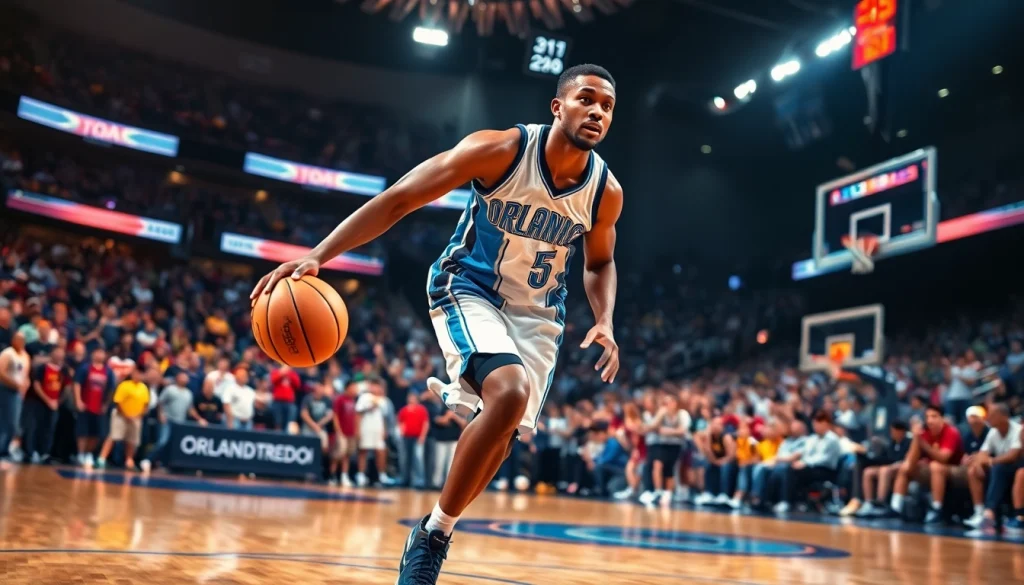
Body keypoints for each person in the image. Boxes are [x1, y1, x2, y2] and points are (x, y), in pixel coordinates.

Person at [250, 64, 622, 584]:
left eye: (606, 106)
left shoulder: (606, 191)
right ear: (558, 107)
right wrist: (319, 255)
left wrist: (603, 319)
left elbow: (600, 262)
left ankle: (433, 529)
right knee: (510, 392)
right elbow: (402, 197)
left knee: (505, 433)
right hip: (469, 287)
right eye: (586, 99)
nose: (598, 112)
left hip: (539, 315)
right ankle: (434, 538)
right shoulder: (500, 151)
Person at [890, 404, 964, 522]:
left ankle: (937, 509)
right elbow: (910, 460)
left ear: (942, 418)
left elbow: (943, 458)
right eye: (927, 417)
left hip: (955, 468)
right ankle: (895, 508)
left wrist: (923, 444)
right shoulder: (925, 432)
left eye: (934, 416)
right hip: (932, 468)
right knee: (905, 467)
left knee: (936, 466)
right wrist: (916, 438)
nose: (930, 420)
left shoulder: (951, 432)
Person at [964, 403, 1022, 529]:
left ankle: (989, 512)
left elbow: (1013, 456)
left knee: (998, 469)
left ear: (1004, 417)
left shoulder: (1018, 430)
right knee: (973, 470)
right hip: (1000, 468)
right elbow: (982, 453)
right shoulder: (993, 432)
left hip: (1015, 467)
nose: (988, 417)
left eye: (992, 414)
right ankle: (979, 512)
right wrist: (978, 463)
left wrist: (990, 461)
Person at [96, 365, 150, 469]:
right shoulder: (125, 385)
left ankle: (129, 461)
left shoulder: (144, 388)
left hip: (136, 418)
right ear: (132, 374)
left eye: (141, 374)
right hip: (121, 416)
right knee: (113, 436)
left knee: (131, 440)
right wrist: (126, 415)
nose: (138, 376)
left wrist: (138, 415)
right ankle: (101, 459)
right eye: (136, 373)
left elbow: (145, 404)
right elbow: (118, 402)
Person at [22, 346, 68, 463]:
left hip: (55, 404)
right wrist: (47, 400)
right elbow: (36, 385)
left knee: (49, 429)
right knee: (34, 427)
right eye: (57, 352)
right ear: (51, 354)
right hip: (39, 402)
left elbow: (68, 387)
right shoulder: (42, 368)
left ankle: (45, 453)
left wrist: (58, 401)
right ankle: (30, 452)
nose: (59, 355)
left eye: (61, 352)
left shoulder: (64, 370)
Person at [73, 347, 116, 467]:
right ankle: (80, 454)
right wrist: (78, 400)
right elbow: (77, 383)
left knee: (96, 433)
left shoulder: (108, 371)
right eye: (97, 352)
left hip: (99, 407)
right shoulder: (85, 368)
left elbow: (111, 389)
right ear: (92, 354)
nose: (99, 355)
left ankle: (88, 453)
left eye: (102, 352)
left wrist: (106, 404)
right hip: (86, 404)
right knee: (82, 431)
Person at [0, 332, 31, 461]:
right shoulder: (7, 353)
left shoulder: (25, 356)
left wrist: (24, 386)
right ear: (13, 340)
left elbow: (26, 375)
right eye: (18, 339)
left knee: (14, 422)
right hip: (5, 390)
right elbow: (1, 372)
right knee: (6, 421)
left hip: (18, 392)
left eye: (22, 340)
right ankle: (2, 450)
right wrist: (15, 384)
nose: (20, 342)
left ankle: (6, 450)